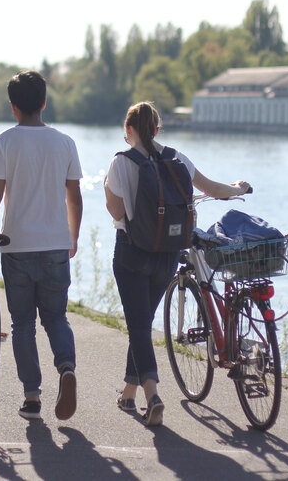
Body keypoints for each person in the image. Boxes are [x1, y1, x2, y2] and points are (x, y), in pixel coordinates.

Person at [104, 101, 250, 426]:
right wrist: (239, 188)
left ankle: (152, 395)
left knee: (139, 327)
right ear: (157, 130)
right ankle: (128, 394)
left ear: (129, 130)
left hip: (132, 252)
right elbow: (212, 188)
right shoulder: (177, 158)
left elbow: (116, 213)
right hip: (168, 254)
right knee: (142, 323)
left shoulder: (121, 163)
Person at [0, 70, 83, 421]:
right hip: (56, 245)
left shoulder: (3, 143)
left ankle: (32, 397)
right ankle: (67, 369)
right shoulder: (65, 143)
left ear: (13, 107)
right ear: (44, 103)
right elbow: (73, 196)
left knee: (22, 324)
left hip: (16, 247)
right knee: (56, 317)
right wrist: (72, 236)